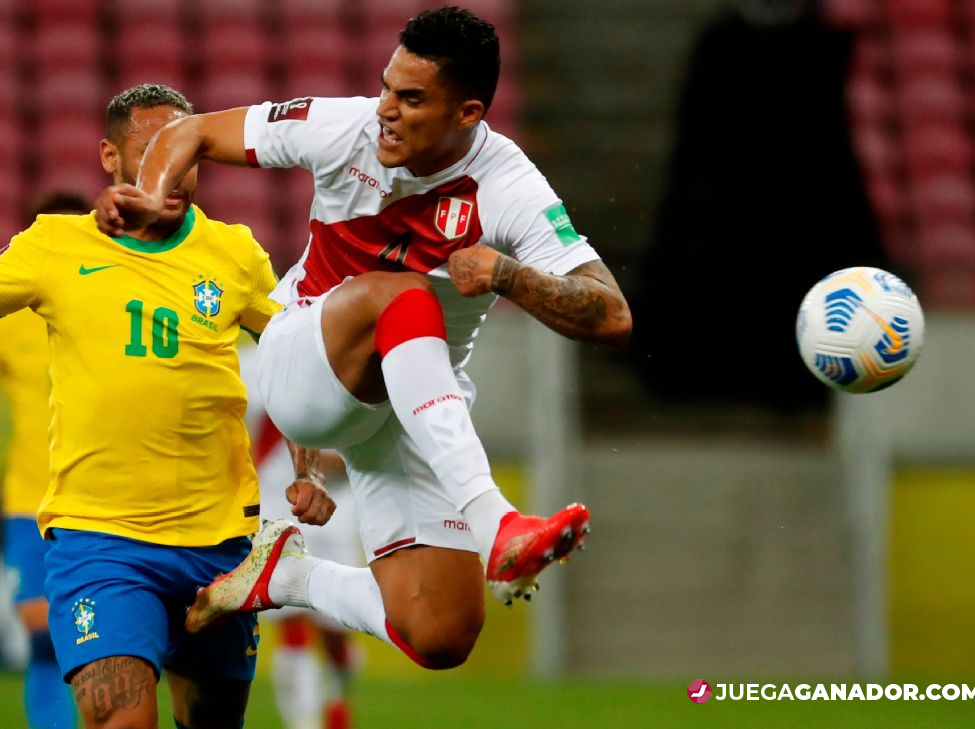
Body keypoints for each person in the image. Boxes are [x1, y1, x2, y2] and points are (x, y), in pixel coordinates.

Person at [95, 7, 632, 669]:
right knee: (400, 292)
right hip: (304, 362)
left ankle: (289, 576)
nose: (385, 110)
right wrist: (151, 194)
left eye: (411, 99)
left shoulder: (508, 185)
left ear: (467, 114)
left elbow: (611, 314)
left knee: (440, 632)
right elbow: (190, 132)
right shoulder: (341, 127)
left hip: (408, 407)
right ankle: (498, 522)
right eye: (385, 87)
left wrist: (510, 274)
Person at [0, 83, 334, 729]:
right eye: (154, 150)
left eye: (188, 150)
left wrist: (308, 470)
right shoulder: (55, 247)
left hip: (218, 544)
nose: (173, 169)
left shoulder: (235, 252)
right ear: (109, 156)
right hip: (102, 542)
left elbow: (294, 367)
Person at [0, 191, 92, 729]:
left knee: (101, 642)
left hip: (103, 502)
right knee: (42, 631)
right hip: (31, 500)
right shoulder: (5, 317)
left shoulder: (120, 308)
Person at [241, 345, 361, 729]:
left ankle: (340, 700)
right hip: (275, 505)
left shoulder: (338, 352)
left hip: (335, 510)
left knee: (337, 627)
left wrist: (331, 465)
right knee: (291, 619)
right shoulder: (246, 361)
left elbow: (359, 444)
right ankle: (304, 722)